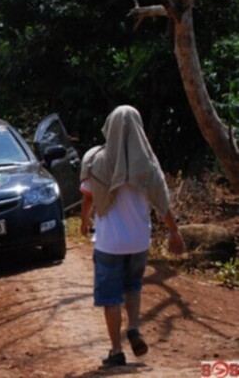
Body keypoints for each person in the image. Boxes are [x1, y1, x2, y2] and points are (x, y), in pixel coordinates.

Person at [79, 105, 185, 368]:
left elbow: (88, 197)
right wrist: (174, 232)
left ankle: (116, 351)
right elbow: (163, 204)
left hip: (109, 243)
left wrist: (84, 221)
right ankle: (134, 327)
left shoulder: (96, 160)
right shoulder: (148, 164)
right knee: (133, 286)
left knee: (111, 297)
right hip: (139, 242)